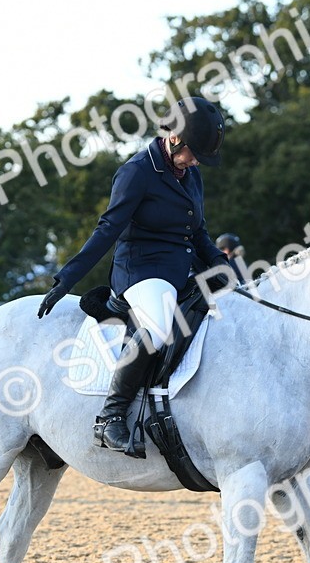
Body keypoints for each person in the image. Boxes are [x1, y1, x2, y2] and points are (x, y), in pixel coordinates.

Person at [37, 97, 231, 454]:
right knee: (157, 327)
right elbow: (108, 229)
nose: (196, 162)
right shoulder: (137, 171)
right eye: (193, 154)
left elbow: (198, 230)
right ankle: (110, 417)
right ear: (174, 138)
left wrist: (220, 263)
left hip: (178, 270)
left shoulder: (191, 173)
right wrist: (66, 278)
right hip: (140, 272)